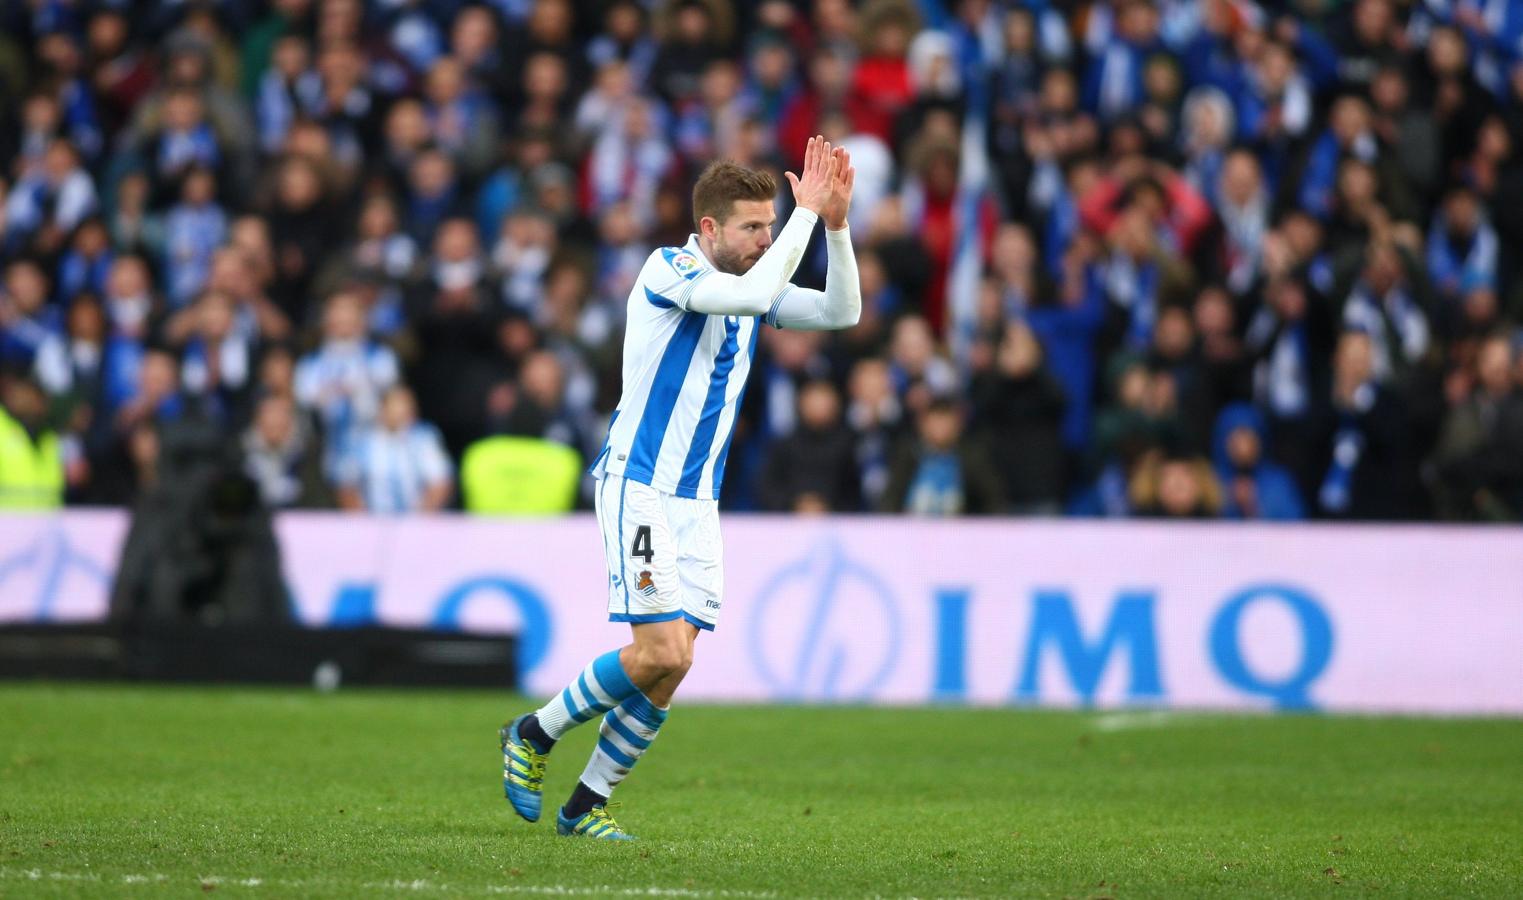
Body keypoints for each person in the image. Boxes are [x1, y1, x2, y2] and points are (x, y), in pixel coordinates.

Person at [500, 137, 861, 840]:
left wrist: (837, 227)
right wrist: (804, 218)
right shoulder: (669, 270)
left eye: (769, 225)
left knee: (674, 664)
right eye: (752, 227)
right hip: (638, 484)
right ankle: (531, 734)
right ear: (708, 230)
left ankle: (584, 807)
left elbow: (839, 313)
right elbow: (756, 291)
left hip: (696, 503)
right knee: (659, 651)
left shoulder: (751, 286)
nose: (764, 239)